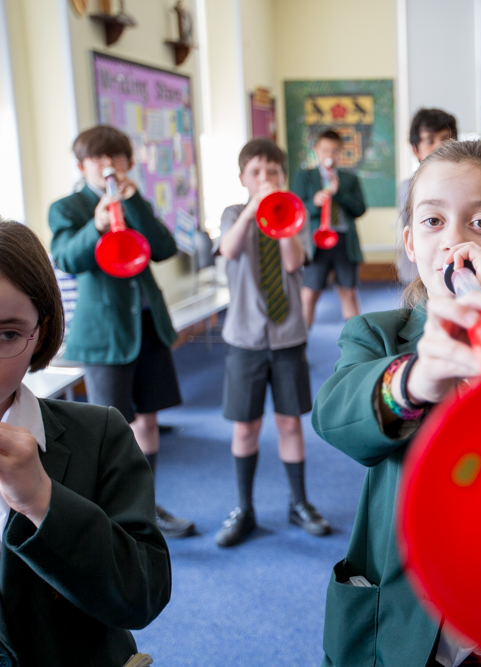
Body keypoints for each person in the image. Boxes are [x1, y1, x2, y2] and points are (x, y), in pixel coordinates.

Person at [312, 140, 481, 667]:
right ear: (410, 242)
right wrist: (419, 376)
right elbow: (335, 418)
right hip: (404, 627)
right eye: (433, 222)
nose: (455, 242)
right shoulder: (377, 334)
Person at [0, 219, 170, 666]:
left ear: (42, 329)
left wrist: (42, 499)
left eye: (7, 335)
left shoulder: (100, 435)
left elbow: (143, 595)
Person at [48, 125, 194, 538]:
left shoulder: (136, 200)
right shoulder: (68, 208)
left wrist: (136, 206)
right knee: (108, 430)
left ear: (129, 163)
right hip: (104, 334)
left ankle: (146, 507)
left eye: (116, 157)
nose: (108, 165)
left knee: (147, 421)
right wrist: (94, 226)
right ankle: (110, 516)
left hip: (147, 325)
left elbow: (164, 249)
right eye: (98, 158)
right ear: (83, 166)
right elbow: (65, 258)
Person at [215, 138, 330, 547]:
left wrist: (281, 215)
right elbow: (229, 250)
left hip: (286, 338)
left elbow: (294, 261)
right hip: (244, 338)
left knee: (289, 421)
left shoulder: (296, 215)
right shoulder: (232, 214)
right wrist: (252, 210)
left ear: (284, 176)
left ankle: (298, 502)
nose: (265, 179)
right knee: (245, 426)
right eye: (256, 173)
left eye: (273, 173)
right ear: (243, 179)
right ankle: (244, 508)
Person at [292, 128, 368, 328]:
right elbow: (296, 210)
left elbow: (360, 209)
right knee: (308, 295)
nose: (330, 155)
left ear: (340, 152)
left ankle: (357, 344)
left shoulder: (349, 179)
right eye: (325, 150)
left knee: (349, 293)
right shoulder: (304, 176)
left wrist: (339, 191)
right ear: (317, 150)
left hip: (343, 241)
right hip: (316, 243)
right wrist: (314, 203)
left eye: (335, 151)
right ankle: (299, 345)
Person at [397, 108, 459, 284]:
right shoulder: (408, 188)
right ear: (415, 150)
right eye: (430, 141)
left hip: (457, 269)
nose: (439, 147)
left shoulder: (464, 185)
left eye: (446, 140)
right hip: (417, 274)